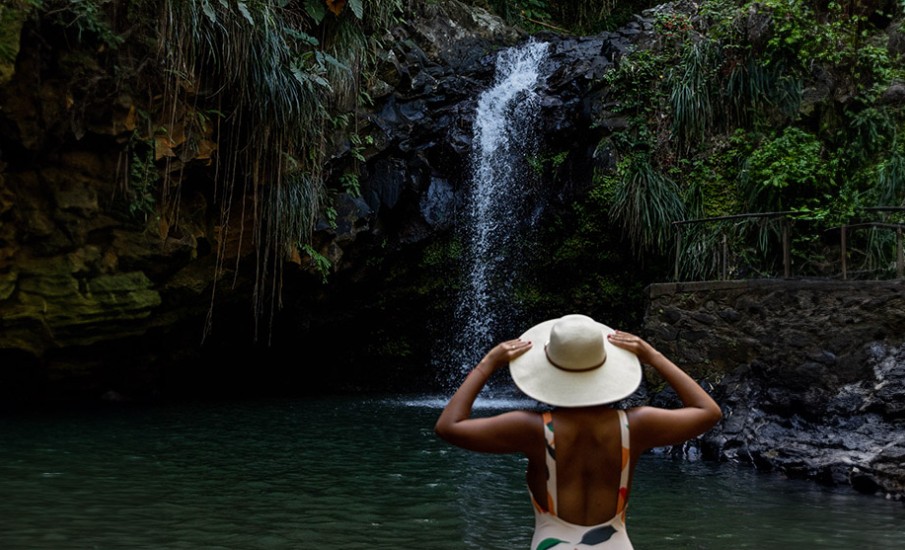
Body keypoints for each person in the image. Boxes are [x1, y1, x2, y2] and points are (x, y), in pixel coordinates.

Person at [435, 314, 723, 549]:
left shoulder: (531, 428)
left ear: (549, 369)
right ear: (606, 367)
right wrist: (653, 356)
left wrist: (488, 363)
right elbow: (708, 412)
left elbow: (449, 426)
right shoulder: (637, 425)